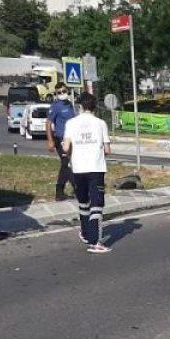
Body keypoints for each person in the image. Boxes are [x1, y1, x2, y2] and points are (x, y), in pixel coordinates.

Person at [63, 92, 111, 254]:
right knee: (96, 204)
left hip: (78, 168)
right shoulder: (101, 123)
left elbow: (65, 147)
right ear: (94, 106)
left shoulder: (71, 123)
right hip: (96, 168)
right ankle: (95, 241)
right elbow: (107, 150)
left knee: (83, 202)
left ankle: (84, 233)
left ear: (80, 106)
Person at [46, 83, 76, 201]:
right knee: (66, 164)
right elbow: (48, 123)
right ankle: (73, 189)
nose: (62, 94)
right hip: (60, 139)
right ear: (56, 94)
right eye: (59, 92)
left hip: (71, 139)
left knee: (67, 165)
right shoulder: (56, 106)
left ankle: (61, 192)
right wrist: (50, 141)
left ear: (67, 91)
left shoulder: (70, 105)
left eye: (63, 91)